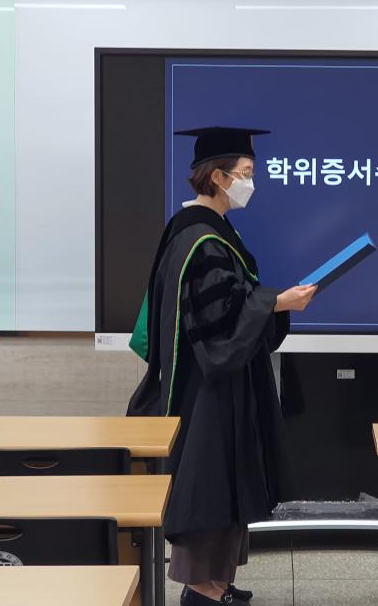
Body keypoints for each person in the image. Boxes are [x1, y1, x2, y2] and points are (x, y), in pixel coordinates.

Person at [126, 126, 317, 605]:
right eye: (245, 173)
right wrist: (276, 303)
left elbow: (229, 305)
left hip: (216, 384)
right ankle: (201, 591)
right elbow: (219, 320)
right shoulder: (201, 240)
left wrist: (270, 303)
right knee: (209, 488)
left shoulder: (200, 231)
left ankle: (216, 585)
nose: (251, 182)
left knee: (224, 488)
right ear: (217, 176)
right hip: (209, 392)